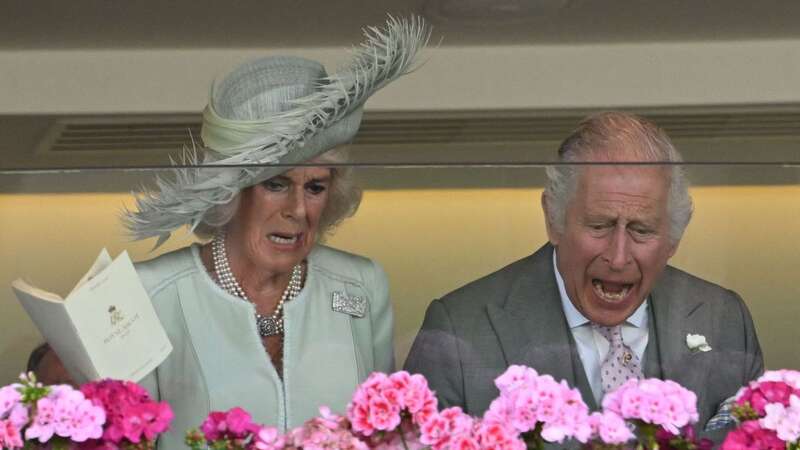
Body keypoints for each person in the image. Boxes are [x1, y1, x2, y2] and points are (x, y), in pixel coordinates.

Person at [105, 17, 427, 449]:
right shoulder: (150, 294)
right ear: (231, 192)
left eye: (315, 187)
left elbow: (385, 435)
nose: (297, 210)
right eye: (275, 184)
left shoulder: (361, 285)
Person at [404, 111, 763, 439]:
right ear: (553, 220)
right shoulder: (460, 330)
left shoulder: (724, 319)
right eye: (599, 225)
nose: (618, 256)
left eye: (641, 230)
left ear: (673, 237)